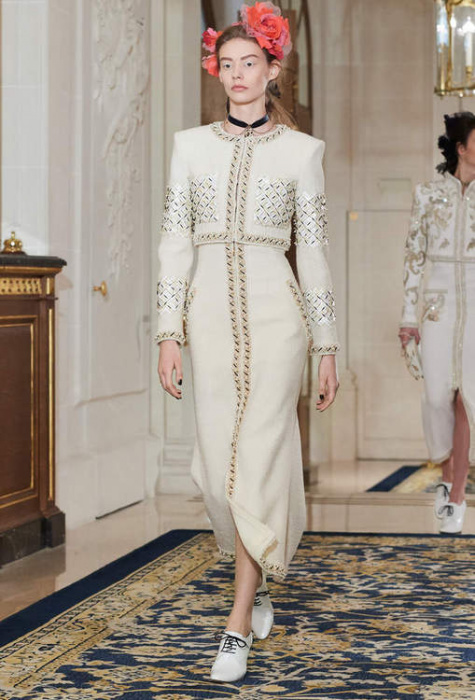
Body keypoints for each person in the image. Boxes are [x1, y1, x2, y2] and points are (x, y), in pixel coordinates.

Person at [156, 1, 339, 682]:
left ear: (271, 69)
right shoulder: (189, 147)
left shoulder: (303, 153)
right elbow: (174, 244)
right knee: (214, 467)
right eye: (226, 64)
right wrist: (168, 332)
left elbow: (313, 253)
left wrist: (325, 345)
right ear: (218, 72)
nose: (237, 74)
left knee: (258, 458)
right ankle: (256, 576)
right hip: (206, 319)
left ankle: (236, 621)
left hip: (278, 322)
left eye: (249, 63)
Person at [399, 112, 475, 535]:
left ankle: (457, 493)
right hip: (437, 308)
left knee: (468, 398)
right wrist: (408, 318)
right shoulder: (427, 195)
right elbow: (413, 258)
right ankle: (447, 473)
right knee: (436, 397)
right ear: (460, 148)